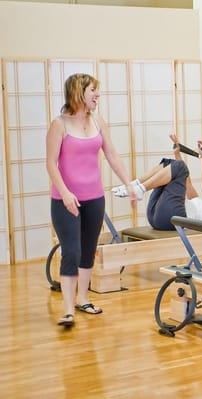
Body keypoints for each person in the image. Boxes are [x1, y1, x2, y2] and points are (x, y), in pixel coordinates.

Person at [46, 73, 136, 327]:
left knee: (88, 250)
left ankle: (83, 299)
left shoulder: (98, 121)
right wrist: (64, 193)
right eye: (93, 90)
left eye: (98, 91)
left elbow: (112, 155)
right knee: (71, 251)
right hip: (65, 200)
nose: (98, 95)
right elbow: (50, 163)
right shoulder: (59, 124)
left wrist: (129, 182)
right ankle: (67, 310)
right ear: (78, 92)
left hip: (95, 197)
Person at [112, 134, 202, 230]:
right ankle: (133, 185)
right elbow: (186, 183)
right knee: (169, 163)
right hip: (156, 215)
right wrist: (177, 154)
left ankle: (139, 189)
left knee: (179, 167)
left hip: (172, 218)